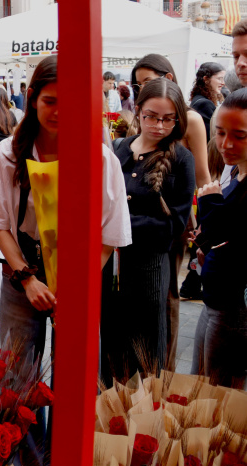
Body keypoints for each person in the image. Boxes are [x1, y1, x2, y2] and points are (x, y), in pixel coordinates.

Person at [0, 56, 132, 367]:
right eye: (50, 101)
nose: (59, 111)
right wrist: (27, 280)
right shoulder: (8, 153)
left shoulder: (98, 158)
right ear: (32, 98)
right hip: (23, 275)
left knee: (75, 376)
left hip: (79, 278)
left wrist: (76, 286)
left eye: (70, 101)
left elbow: (111, 232)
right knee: (17, 378)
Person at [101, 78, 195, 382]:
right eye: (151, 116)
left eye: (168, 119)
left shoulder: (181, 159)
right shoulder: (118, 149)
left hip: (150, 270)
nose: (159, 125)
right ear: (138, 111)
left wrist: (121, 225)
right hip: (112, 268)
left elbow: (174, 225)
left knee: (145, 360)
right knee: (112, 355)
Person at [131, 53, 213, 370]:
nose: (143, 87)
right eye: (139, 84)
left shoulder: (189, 119)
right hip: (141, 217)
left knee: (166, 295)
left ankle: (162, 364)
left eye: (149, 81)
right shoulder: (144, 120)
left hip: (172, 217)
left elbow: (203, 175)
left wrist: (205, 221)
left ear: (168, 77)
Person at [191, 89, 247, 388]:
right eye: (221, 132)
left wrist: (212, 207)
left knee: (218, 400)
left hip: (234, 308)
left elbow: (228, 238)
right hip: (215, 300)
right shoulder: (236, 173)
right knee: (201, 389)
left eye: (240, 135)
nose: (226, 144)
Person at [190, 62, 226, 142]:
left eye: (223, 79)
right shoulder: (204, 104)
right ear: (206, 79)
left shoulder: (199, 98)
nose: (223, 83)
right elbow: (209, 138)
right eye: (219, 79)